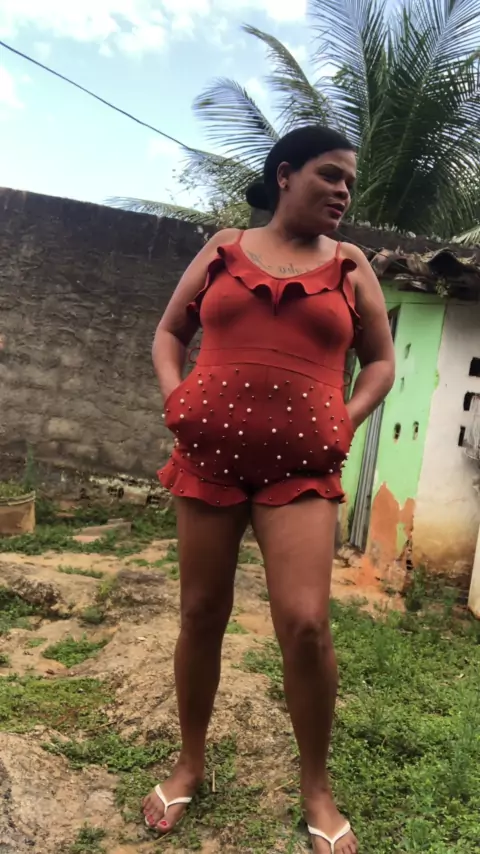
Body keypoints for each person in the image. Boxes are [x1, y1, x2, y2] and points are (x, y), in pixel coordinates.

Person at [143, 125, 395, 853]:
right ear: (285, 174)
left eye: (350, 183)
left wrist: (345, 419)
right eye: (331, 175)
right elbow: (169, 333)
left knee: (306, 623)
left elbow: (381, 362)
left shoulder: (350, 266)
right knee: (201, 612)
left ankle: (316, 787)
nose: (344, 191)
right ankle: (190, 764)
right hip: (208, 460)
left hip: (302, 471)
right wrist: (176, 397)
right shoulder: (224, 248)